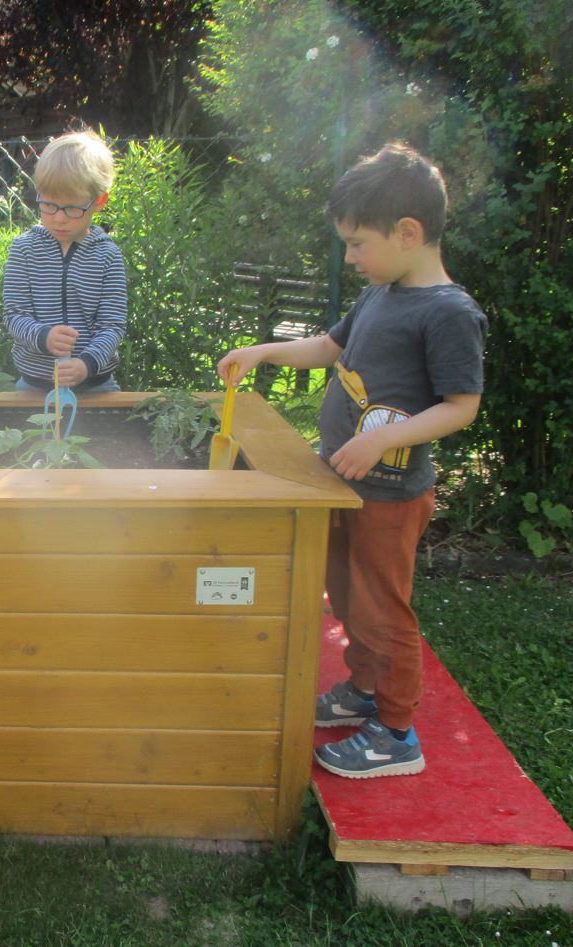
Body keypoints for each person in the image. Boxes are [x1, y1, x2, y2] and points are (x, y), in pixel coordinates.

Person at [217, 142, 487, 778]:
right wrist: (262, 352)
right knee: (345, 594)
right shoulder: (379, 295)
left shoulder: (449, 313)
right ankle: (363, 693)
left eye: (358, 243)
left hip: (391, 496)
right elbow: (325, 348)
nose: (350, 256)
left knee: (382, 609)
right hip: (344, 486)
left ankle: (396, 733)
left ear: (408, 232)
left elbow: (462, 406)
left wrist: (376, 441)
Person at [2, 129, 128, 393]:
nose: (58, 218)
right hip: (34, 386)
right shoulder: (24, 250)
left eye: (72, 208)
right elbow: (14, 315)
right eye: (48, 205)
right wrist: (43, 336)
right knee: (27, 435)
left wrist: (86, 364)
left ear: (99, 201)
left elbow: (112, 324)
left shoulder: (107, 256)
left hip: (95, 386)